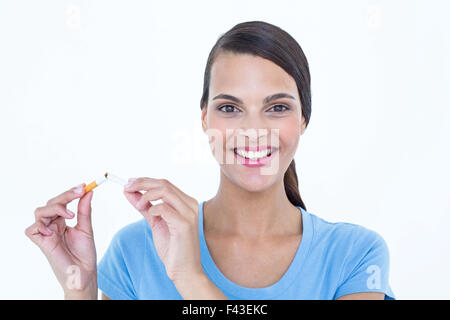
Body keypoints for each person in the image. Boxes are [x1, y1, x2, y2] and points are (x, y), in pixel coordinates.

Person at [25, 20, 395, 300]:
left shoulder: (356, 256)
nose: (253, 130)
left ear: (303, 119)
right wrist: (82, 288)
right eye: (230, 107)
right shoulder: (134, 250)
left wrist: (190, 277)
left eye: (277, 107)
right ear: (204, 118)